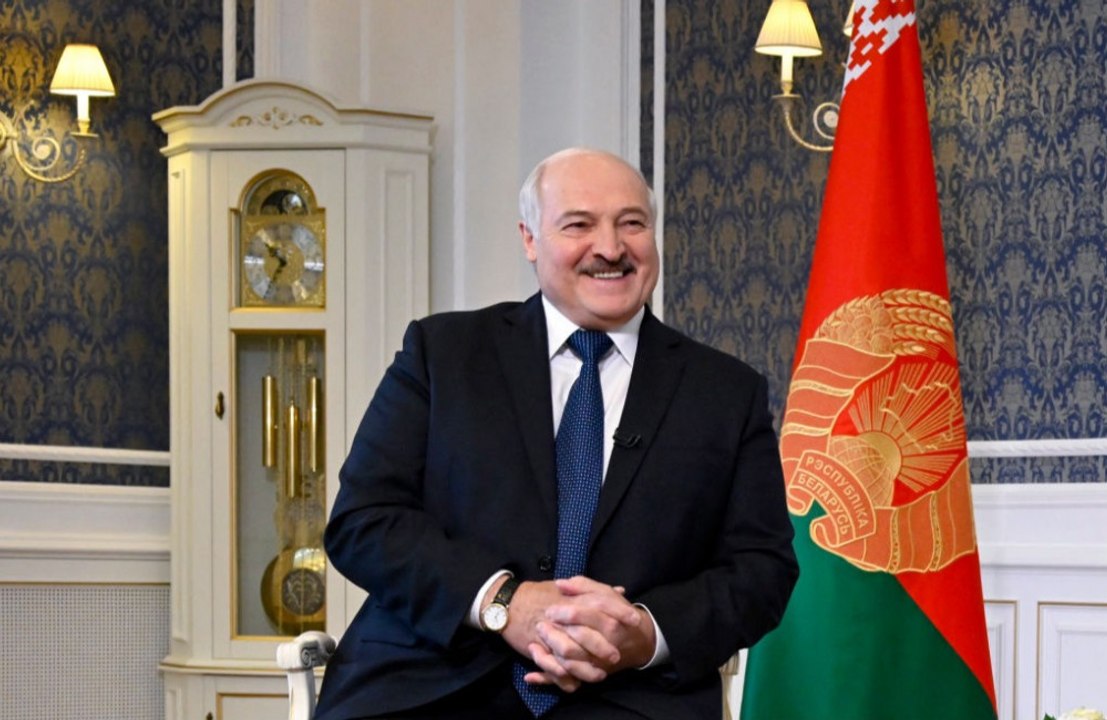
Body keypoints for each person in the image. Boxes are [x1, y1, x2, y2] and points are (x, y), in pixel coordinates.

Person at [314, 147, 798, 720]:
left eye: (632, 224)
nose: (611, 248)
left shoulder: (725, 391)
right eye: (578, 225)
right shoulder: (443, 354)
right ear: (529, 239)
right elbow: (363, 522)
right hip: (430, 686)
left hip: (629, 698)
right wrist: (503, 603)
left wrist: (645, 632)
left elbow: (761, 569)